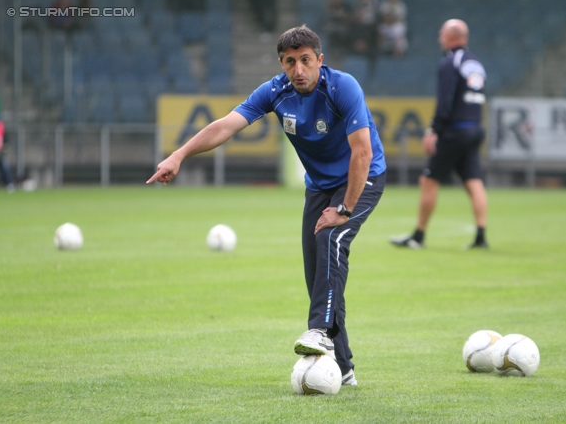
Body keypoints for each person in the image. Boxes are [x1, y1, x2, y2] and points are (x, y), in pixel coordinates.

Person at [147, 25, 387, 386]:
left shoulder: (343, 86)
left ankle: (319, 331)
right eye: (291, 62)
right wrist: (179, 155)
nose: (299, 70)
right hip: (319, 186)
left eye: (306, 60)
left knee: (331, 240)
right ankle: (344, 367)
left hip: (363, 177)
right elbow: (226, 125)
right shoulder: (275, 92)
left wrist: (345, 210)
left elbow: (363, 152)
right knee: (317, 272)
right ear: (282, 64)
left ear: (320, 60)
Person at [390, 19, 488, 250]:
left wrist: (434, 130)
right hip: (475, 128)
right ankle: (481, 237)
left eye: (442, 34)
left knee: (429, 180)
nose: (439, 38)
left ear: (453, 36)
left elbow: (446, 101)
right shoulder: (476, 63)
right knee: (474, 182)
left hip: (456, 130)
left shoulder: (450, 63)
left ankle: (418, 236)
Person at [0, 119, 15, 193]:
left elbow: (5, 139)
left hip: (0, 153)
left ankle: (9, 184)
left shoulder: (1, 126)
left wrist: (5, 146)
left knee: (5, 167)